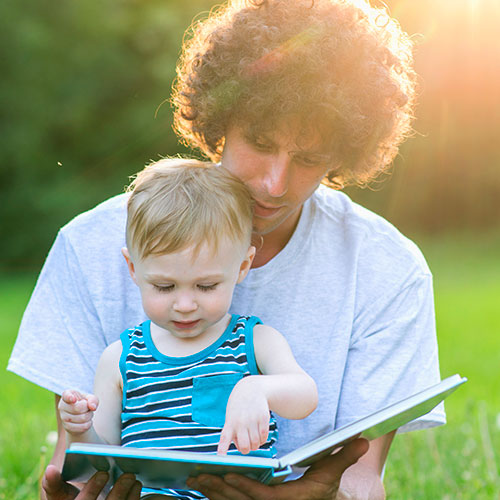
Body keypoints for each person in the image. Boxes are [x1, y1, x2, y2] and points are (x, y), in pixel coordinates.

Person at [8, 1, 445, 499]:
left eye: (308, 158)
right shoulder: (93, 246)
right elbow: (75, 466)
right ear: (221, 120)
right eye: (259, 142)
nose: (275, 184)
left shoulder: (387, 270)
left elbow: (362, 482)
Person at [57, 159, 318, 499]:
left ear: (242, 266)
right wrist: (80, 430)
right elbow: (103, 463)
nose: (184, 305)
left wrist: (258, 388)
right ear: (133, 269)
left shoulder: (254, 341)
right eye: (164, 287)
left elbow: (306, 395)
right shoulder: (121, 358)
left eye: (206, 286)